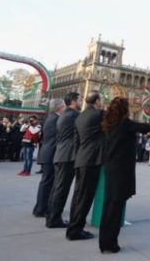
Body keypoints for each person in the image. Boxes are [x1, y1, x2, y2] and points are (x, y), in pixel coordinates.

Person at [99, 97, 150, 254]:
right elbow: (146, 127)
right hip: (121, 170)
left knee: (109, 205)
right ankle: (110, 243)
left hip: (110, 167)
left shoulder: (108, 123)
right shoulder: (125, 124)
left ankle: (104, 242)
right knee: (116, 207)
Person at [67, 91, 104, 241]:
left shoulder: (80, 116)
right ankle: (75, 231)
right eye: (101, 100)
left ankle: (73, 227)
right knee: (85, 197)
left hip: (81, 159)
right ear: (97, 101)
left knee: (78, 196)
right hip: (91, 161)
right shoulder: (99, 115)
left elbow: (76, 141)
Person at [47, 92, 81, 229]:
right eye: (80, 99)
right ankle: (54, 219)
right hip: (68, 155)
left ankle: (51, 216)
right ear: (73, 101)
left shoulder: (64, 115)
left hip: (61, 154)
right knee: (62, 189)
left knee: (57, 187)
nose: (81, 101)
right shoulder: (74, 115)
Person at [33, 99, 64, 218]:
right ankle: (41, 208)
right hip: (51, 153)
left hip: (47, 152)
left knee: (46, 182)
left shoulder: (51, 117)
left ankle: (40, 207)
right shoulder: (56, 119)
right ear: (59, 107)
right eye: (64, 106)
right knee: (47, 182)